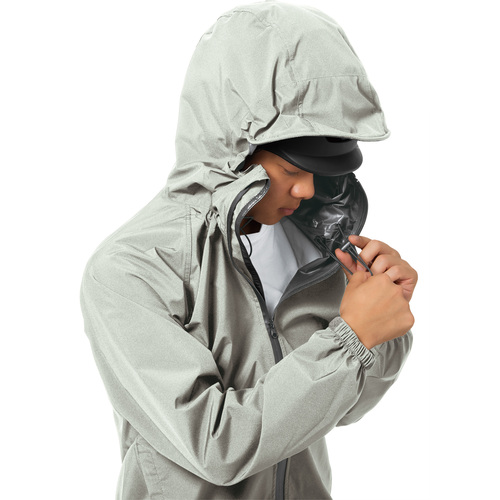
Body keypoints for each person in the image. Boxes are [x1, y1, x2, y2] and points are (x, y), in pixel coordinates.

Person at [79, 1, 417, 499]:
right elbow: (217, 446)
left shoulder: (315, 249)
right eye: (291, 170)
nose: (306, 190)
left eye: (318, 171)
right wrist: (352, 337)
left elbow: (346, 408)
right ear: (232, 150)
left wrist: (382, 327)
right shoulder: (130, 270)